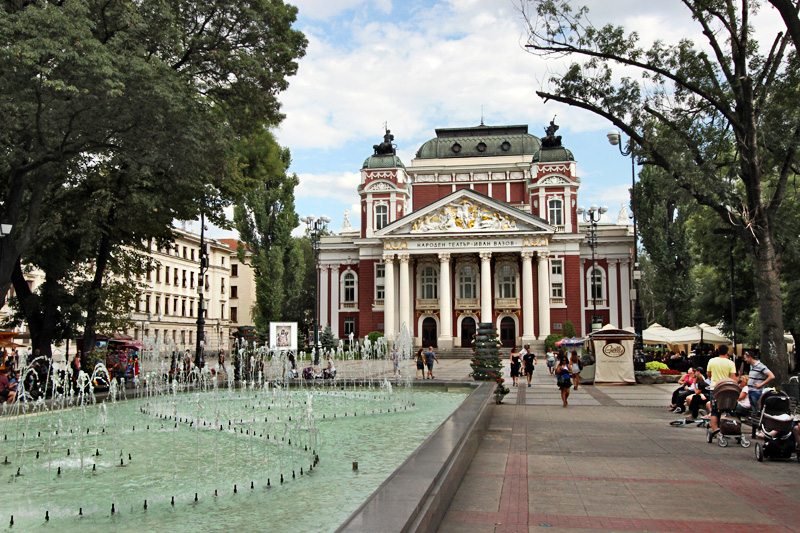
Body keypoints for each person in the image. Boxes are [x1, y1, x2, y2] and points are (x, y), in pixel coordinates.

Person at [706, 346, 737, 437]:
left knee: (715, 410)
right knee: (729, 408)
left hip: (715, 388)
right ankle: (730, 428)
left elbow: (708, 374)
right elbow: (733, 377)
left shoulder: (712, 361)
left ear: (718, 351)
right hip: (727, 389)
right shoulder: (730, 363)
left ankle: (715, 430)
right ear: (727, 352)